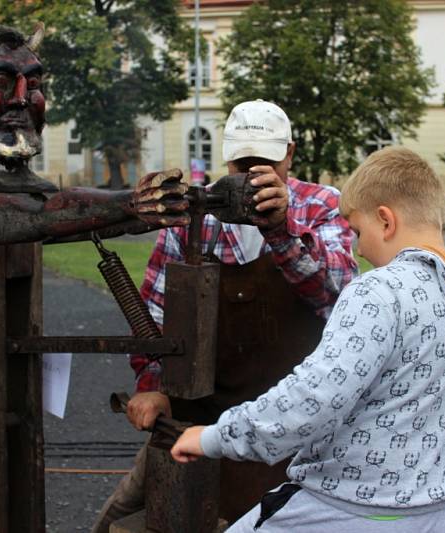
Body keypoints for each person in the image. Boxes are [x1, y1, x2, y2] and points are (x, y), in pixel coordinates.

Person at [171, 147, 445, 532]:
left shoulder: (379, 292)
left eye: (357, 232)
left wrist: (216, 437)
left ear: (386, 221)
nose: (359, 249)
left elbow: (313, 399)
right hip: (444, 518)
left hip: (347, 512)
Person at [92, 100, 358, 532]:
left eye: (266, 162)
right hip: (204, 415)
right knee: (115, 522)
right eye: (243, 162)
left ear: (289, 153)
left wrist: (282, 229)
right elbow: (156, 313)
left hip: (295, 425)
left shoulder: (323, 205)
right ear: (226, 155)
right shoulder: (198, 213)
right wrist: (153, 386)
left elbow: (339, 296)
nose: (252, 175)